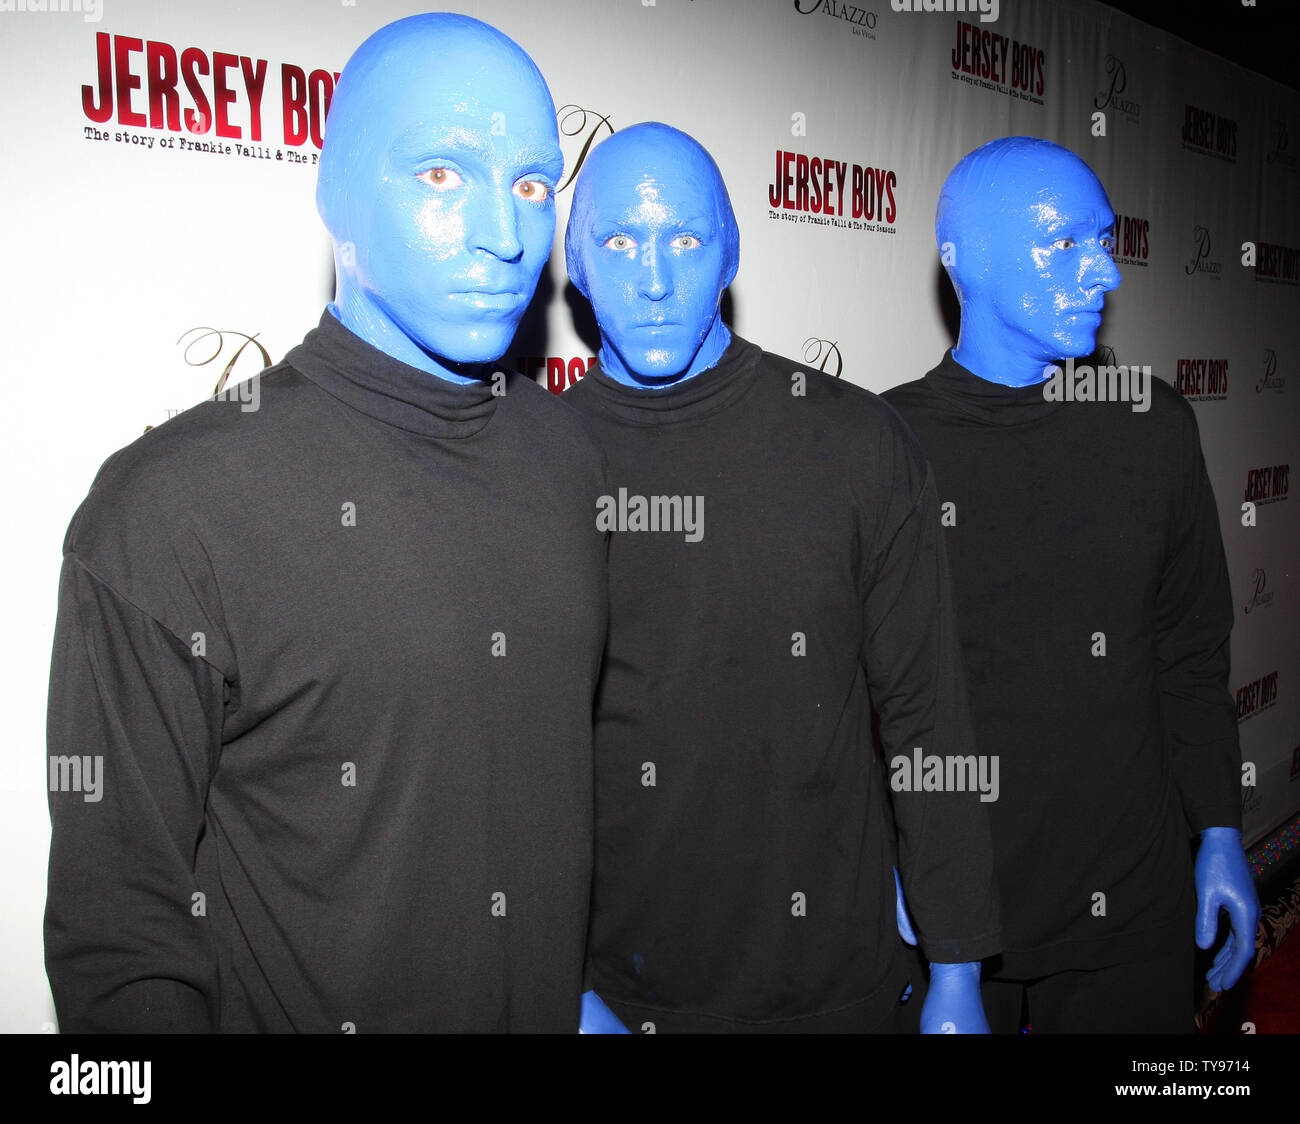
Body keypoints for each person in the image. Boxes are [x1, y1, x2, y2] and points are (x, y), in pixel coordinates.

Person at [45, 13, 611, 1033]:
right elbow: (122, 936)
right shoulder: (171, 508)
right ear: (337, 192)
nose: (507, 232)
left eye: (531, 184)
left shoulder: (569, 458)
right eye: (443, 175)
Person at [563, 122, 1001, 1033]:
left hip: (839, 982)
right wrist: (562, 990)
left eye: (684, 240)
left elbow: (928, 711)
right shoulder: (530, 467)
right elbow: (501, 763)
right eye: (617, 241)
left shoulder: (851, 440)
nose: (652, 280)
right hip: (620, 988)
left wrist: (957, 963)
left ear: (730, 252)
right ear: (573, 264)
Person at [884, 136, 1258, 1033]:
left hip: (1135, 896)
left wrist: (1219, 829)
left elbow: (1190, 650)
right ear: (961, 260)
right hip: (957, 903)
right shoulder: (887, 444)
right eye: (1063, 245)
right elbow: (857, 691)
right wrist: (897, 865)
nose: (1103, 274)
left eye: (1104, 241)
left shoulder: (1152, 424)